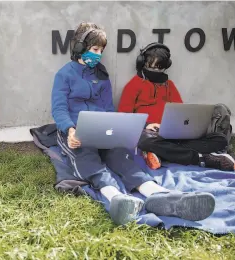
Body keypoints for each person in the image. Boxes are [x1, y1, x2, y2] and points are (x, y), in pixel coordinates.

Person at [51, 22, 216, 226]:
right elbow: (58, 108)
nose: (99, 55)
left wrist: (115, 130)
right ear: (79, 47)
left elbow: (108, 108)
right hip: (75, 131)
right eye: (95, 49)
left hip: (101, 127)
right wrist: (70, 130)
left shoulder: (102, 75)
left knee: (120, 154)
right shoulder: (64, 75)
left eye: (101, 51)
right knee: (88, 158)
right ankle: (116, 198)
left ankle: (159, 194)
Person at [118, 42, 235, 171]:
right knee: (145, 142)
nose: (155, 70)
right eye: (151, 66)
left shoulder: (170, 85)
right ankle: (201, 158)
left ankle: (164, 153)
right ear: (142, 63)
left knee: (220, 140)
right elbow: (124, 118)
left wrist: (185, 128)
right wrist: (147, 125)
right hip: (149, 135)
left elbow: (181, 113)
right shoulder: (133, 85)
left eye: (159, 67)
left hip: (174, 136)